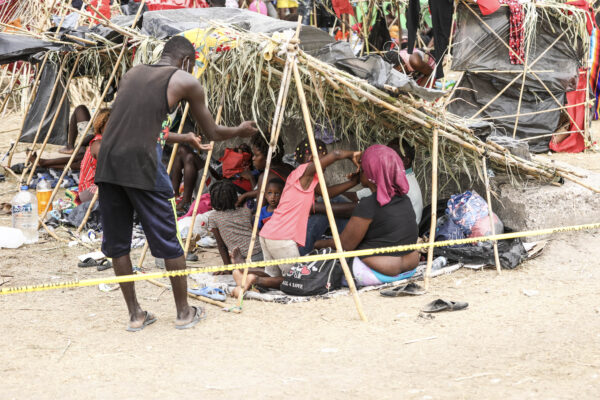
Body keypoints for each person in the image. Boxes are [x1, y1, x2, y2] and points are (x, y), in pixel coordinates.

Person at [95, 36, 258, 331]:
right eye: (193, 66)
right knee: (171, 244)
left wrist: (183, 138)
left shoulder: (133, 73)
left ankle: (135, 315)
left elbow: (140, 127)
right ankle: (184, 313)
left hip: (108, 164)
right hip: (143, 168)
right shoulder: (184, 80)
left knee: (118, 245)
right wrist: (240, 129)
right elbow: (213, 131)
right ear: (186, 62)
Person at [230, 138, 360, 296]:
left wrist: (354, 182)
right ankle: (253, 279)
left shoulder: (303, 177)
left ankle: (244, 274)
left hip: (270, 233)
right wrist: (353, 154)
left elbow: (328, 193)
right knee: (296, 279)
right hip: (281, 237)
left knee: (273, 276)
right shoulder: (305, 173)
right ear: (310, 158)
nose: (324, 162)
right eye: (321, 157)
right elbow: (337, 153)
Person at [315, 145, 419, 287]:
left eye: (362, 168)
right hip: (409, 270)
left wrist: (317, 244)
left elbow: (344, 246)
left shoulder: (369, 204)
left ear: (370, 172)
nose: (358, 171)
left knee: (324, 263)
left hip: (375, 274)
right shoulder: (404, 200)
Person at [208, 180, 263, 266]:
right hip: (262, 251)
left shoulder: (213, 217)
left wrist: (227, 267)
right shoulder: (246, 211)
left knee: (241, 272)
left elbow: (221, 245)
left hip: (247, 257)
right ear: (235, 197)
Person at [235, 132, 293, 207]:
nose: (253, 158)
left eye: (256, 155)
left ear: (268, 156)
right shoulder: (289, 167)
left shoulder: (265, 176)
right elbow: (261, 191)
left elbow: (260, 208)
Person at [76, 108, 110, 204]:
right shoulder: (99, 144)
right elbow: (106, 174)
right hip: (89, 189)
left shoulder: (108, 141)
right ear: (101, 126)